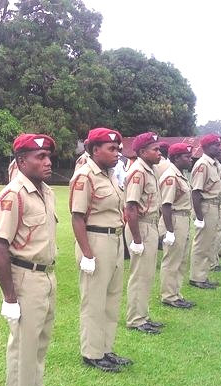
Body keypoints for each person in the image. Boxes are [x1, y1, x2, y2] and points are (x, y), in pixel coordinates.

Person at [0, 133, 66, 386]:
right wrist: (10, 297)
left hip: (46, 274)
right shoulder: (13, 195)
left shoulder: (46, 192)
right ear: (22, 161)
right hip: (25, 277)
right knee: (23, 343)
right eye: (41, 157)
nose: (48, 162)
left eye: (49, 156)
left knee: (40, 340)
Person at [70, 127, 132, 372]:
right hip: (95, 240)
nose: (117, 153)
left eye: (118, 149)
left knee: (112, 298)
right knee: (94, 300)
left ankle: (106, 348)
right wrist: (87, 253)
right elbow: (77, 217)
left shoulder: (110, 175)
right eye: (112, 149)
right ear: (96, 150)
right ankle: (92, 352)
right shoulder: (85, 176)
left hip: (115, 239)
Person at [124, 132, 164, 334]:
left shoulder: (150, 170)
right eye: (155, 149)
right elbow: (131, 207)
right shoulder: (138, 172)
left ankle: (143, 315)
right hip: (141, 226)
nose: (159, 153)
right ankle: (136, 319)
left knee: (146, 275)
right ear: (142, 152)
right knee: (140, 275)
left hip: (150, 225)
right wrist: (137, 240)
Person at [158, 143, 196, 309]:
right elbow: (166, 205)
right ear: (176, 158)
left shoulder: (180, 175)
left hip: (183, 218)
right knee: (172, 260)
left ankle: (176, 293)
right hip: (174, 219)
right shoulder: (171, 177)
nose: (190, 160)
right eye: (186, 157)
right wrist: (170, 231)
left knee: (181, 260)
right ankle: (169, 295)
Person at [188, 134, 221, 289]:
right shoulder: (203, 165)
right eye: (216, 145)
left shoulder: (213, 164)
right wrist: (199, 217)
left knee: (209, 243)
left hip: (214, 206)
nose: (219, 147)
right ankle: (197, 277)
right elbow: (196, 192)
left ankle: (202, 275)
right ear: (206, 147)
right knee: (202, 243)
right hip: (206, 207)